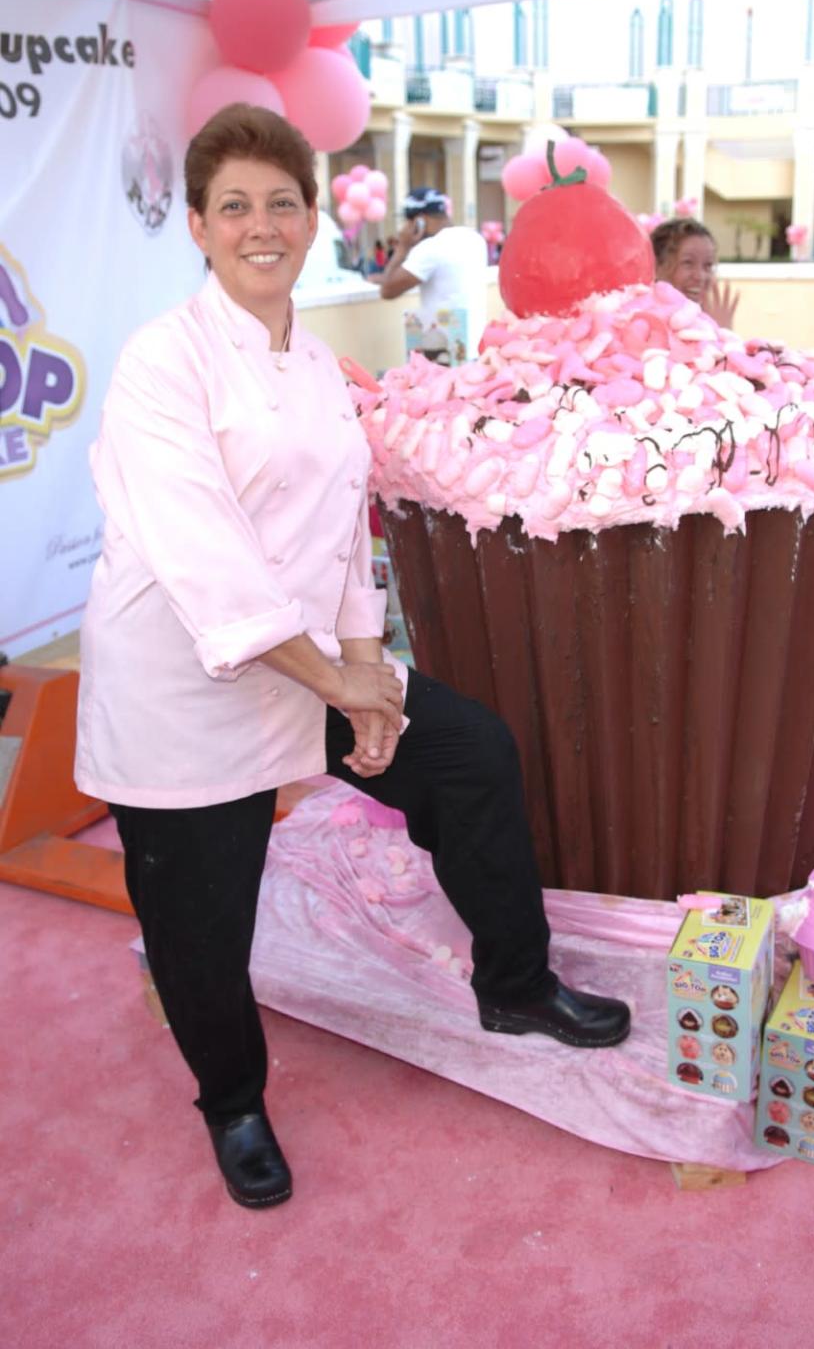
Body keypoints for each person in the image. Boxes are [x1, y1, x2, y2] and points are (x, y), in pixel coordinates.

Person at [75, 105, 629, 1213]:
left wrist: (371, 677)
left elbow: (340, 536)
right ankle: (233, 1102)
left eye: (283, 202)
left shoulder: (320, 368)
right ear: (197, 225)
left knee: (469, 754)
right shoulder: (160, 363)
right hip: (182, 691)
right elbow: (208, 562)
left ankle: (514, 984)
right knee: (199, 929)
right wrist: (345, 683)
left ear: (315, 217)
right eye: (235, 206)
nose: (262, 225)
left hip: (316, 666)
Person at [377, 187, 488, 358]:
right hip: (477, 347)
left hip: (446, 349)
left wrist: (403, 248)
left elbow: (387, 290)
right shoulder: (474, 239)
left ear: (418, 221)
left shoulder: (430, 248)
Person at [651, 217, 740, 329]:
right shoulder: (642, 323)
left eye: (708, 265)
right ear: (656, 266)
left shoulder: (707, 319)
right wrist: (717, 331)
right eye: (687, 263)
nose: (700, 276)